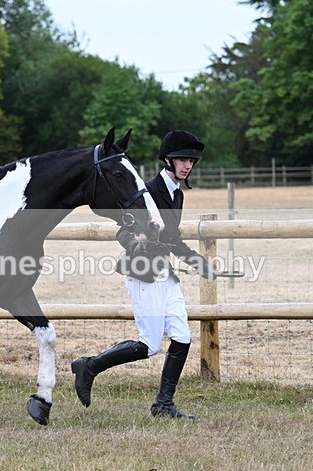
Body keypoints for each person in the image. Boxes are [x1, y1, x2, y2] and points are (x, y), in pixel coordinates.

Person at [71, 129, 215, 419]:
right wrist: (140, 242)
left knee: (182, 336)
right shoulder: (147, 192)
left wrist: (199, 263)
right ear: (167, 161)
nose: (188, 165)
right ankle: (90, 366)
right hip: (143, 272)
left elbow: (172, 239)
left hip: (166, 275)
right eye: (182, 160)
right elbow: (123, 232)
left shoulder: (177, 194)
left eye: (191, 161)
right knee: (148, 344)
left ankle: (163, 404)